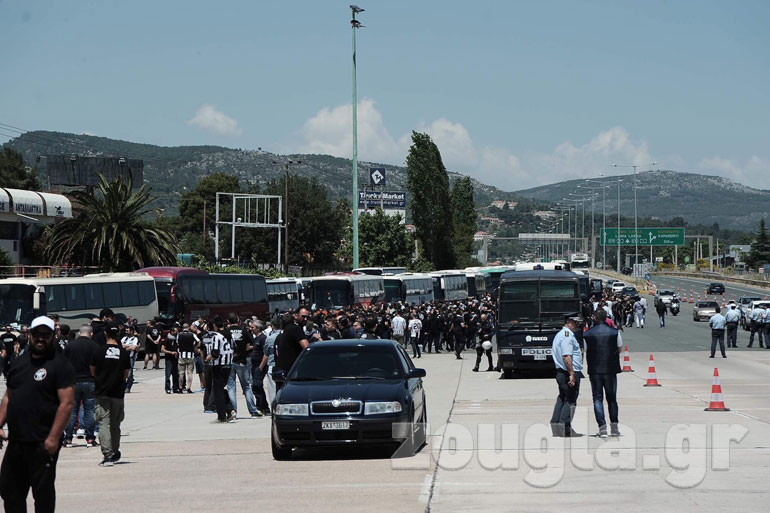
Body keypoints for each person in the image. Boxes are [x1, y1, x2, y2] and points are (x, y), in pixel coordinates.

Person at [0, 316, 75, 511]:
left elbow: (66, 403)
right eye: (37, 334)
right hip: (17, 441)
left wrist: (53, 438)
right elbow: (9, 397)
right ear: (29, 334)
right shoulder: (19, 363)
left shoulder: (60, 365)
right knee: (9, 490)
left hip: (43, 442)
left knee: (42, 493)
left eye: (46, 335)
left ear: (53, 336)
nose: (41, 338)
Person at [90, 325, 130, 467]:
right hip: (118, 393)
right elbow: (126, 374)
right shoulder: (123, 353)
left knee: (103, 423)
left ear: (105, 334)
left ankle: (107, 455)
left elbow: (93, 371)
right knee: (115, 424)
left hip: (102, 392)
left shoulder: (98, 351)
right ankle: (114, 451)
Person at [583, 309, 622, 438]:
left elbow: (585, 350)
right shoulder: (615, 332)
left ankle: (602, 427)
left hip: (595, 370)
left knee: (597, 399)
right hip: (610, 369)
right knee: (612, 399)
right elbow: (619, 348)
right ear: (606, 318)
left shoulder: (588, 334)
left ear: (594, 318)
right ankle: (615, 428)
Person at [63, 325, 99, 447]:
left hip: (73, 382)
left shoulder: (70, 345)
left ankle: (68, 439)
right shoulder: (94, 346)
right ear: (91, 334)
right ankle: (90, 438)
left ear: (79, 333)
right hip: (89, 381)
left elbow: (63, 363)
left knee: (72, 411)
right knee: (89, 410)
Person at [550, 316, 584, 437]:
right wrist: (572, 374)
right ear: (569, 322)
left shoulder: (562, 334)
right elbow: (567, 356)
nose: (578, 326)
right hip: (567, 372)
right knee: (570, 400)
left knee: (562, 398)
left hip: (562, 372)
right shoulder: (567, 335)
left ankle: (556, 425)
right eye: (576, 323)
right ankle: (565, 427)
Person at [225, 313, 260, 418]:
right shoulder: (244, 331)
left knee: (231, 387)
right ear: (238, 320)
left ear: (228, 321)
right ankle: (253, 410)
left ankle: (233, 412)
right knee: (247, 387)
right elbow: (250, 344)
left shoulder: (226, 332)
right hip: (242, 361)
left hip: (229, 361)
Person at [208, 318, 235, 423]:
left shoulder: (216, 336)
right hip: (228, 364)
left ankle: (222, 415)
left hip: (219, 365)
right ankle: (230, 409)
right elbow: (234, 348)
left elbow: (215, 353)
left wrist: (208, 357)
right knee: (220, 388)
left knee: (217, 391)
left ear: (215, 325)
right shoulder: (229, 334)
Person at [276, 307, 310, 373]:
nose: (305, 319)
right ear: (296, 315)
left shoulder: (289, 328)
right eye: (303, 316)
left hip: (284, 369)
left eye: (308, 317)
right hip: (291, 371)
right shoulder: (295, 329)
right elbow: (307, 349)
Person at [177, 324, 197, 393]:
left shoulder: (179, 335)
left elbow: (177, 343)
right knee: (190, 373)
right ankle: (188, 388)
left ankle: (180, 388)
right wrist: (194, 347)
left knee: (181, 373)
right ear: (188, 328)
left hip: (182, 355)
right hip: (190, 355)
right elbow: (198, 341)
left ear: (183, 328)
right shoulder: (192, 335)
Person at [120, 326, 139, 393]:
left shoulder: (135, 339)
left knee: (129, 373)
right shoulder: (124, 338)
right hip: (122, 358)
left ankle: (128, 387)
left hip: (130, 358)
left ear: (131, 331)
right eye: (126, 331)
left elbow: (134, 348)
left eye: (128, 331)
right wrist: (128, 346)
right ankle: (123, 386)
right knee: (122, 373)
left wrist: (125, 346)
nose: (126, 332)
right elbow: (120, 346)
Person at [161, 326, 180, 394]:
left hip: (175, 359)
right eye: (175, 331)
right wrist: (171, 352)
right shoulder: (166, 339)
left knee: (176, 374)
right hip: (168, 359)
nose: (176, 332)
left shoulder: (177, 339)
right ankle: (168, 388)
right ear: (171, 332)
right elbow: (162, 349)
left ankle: (176, 388)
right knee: (168, 374)